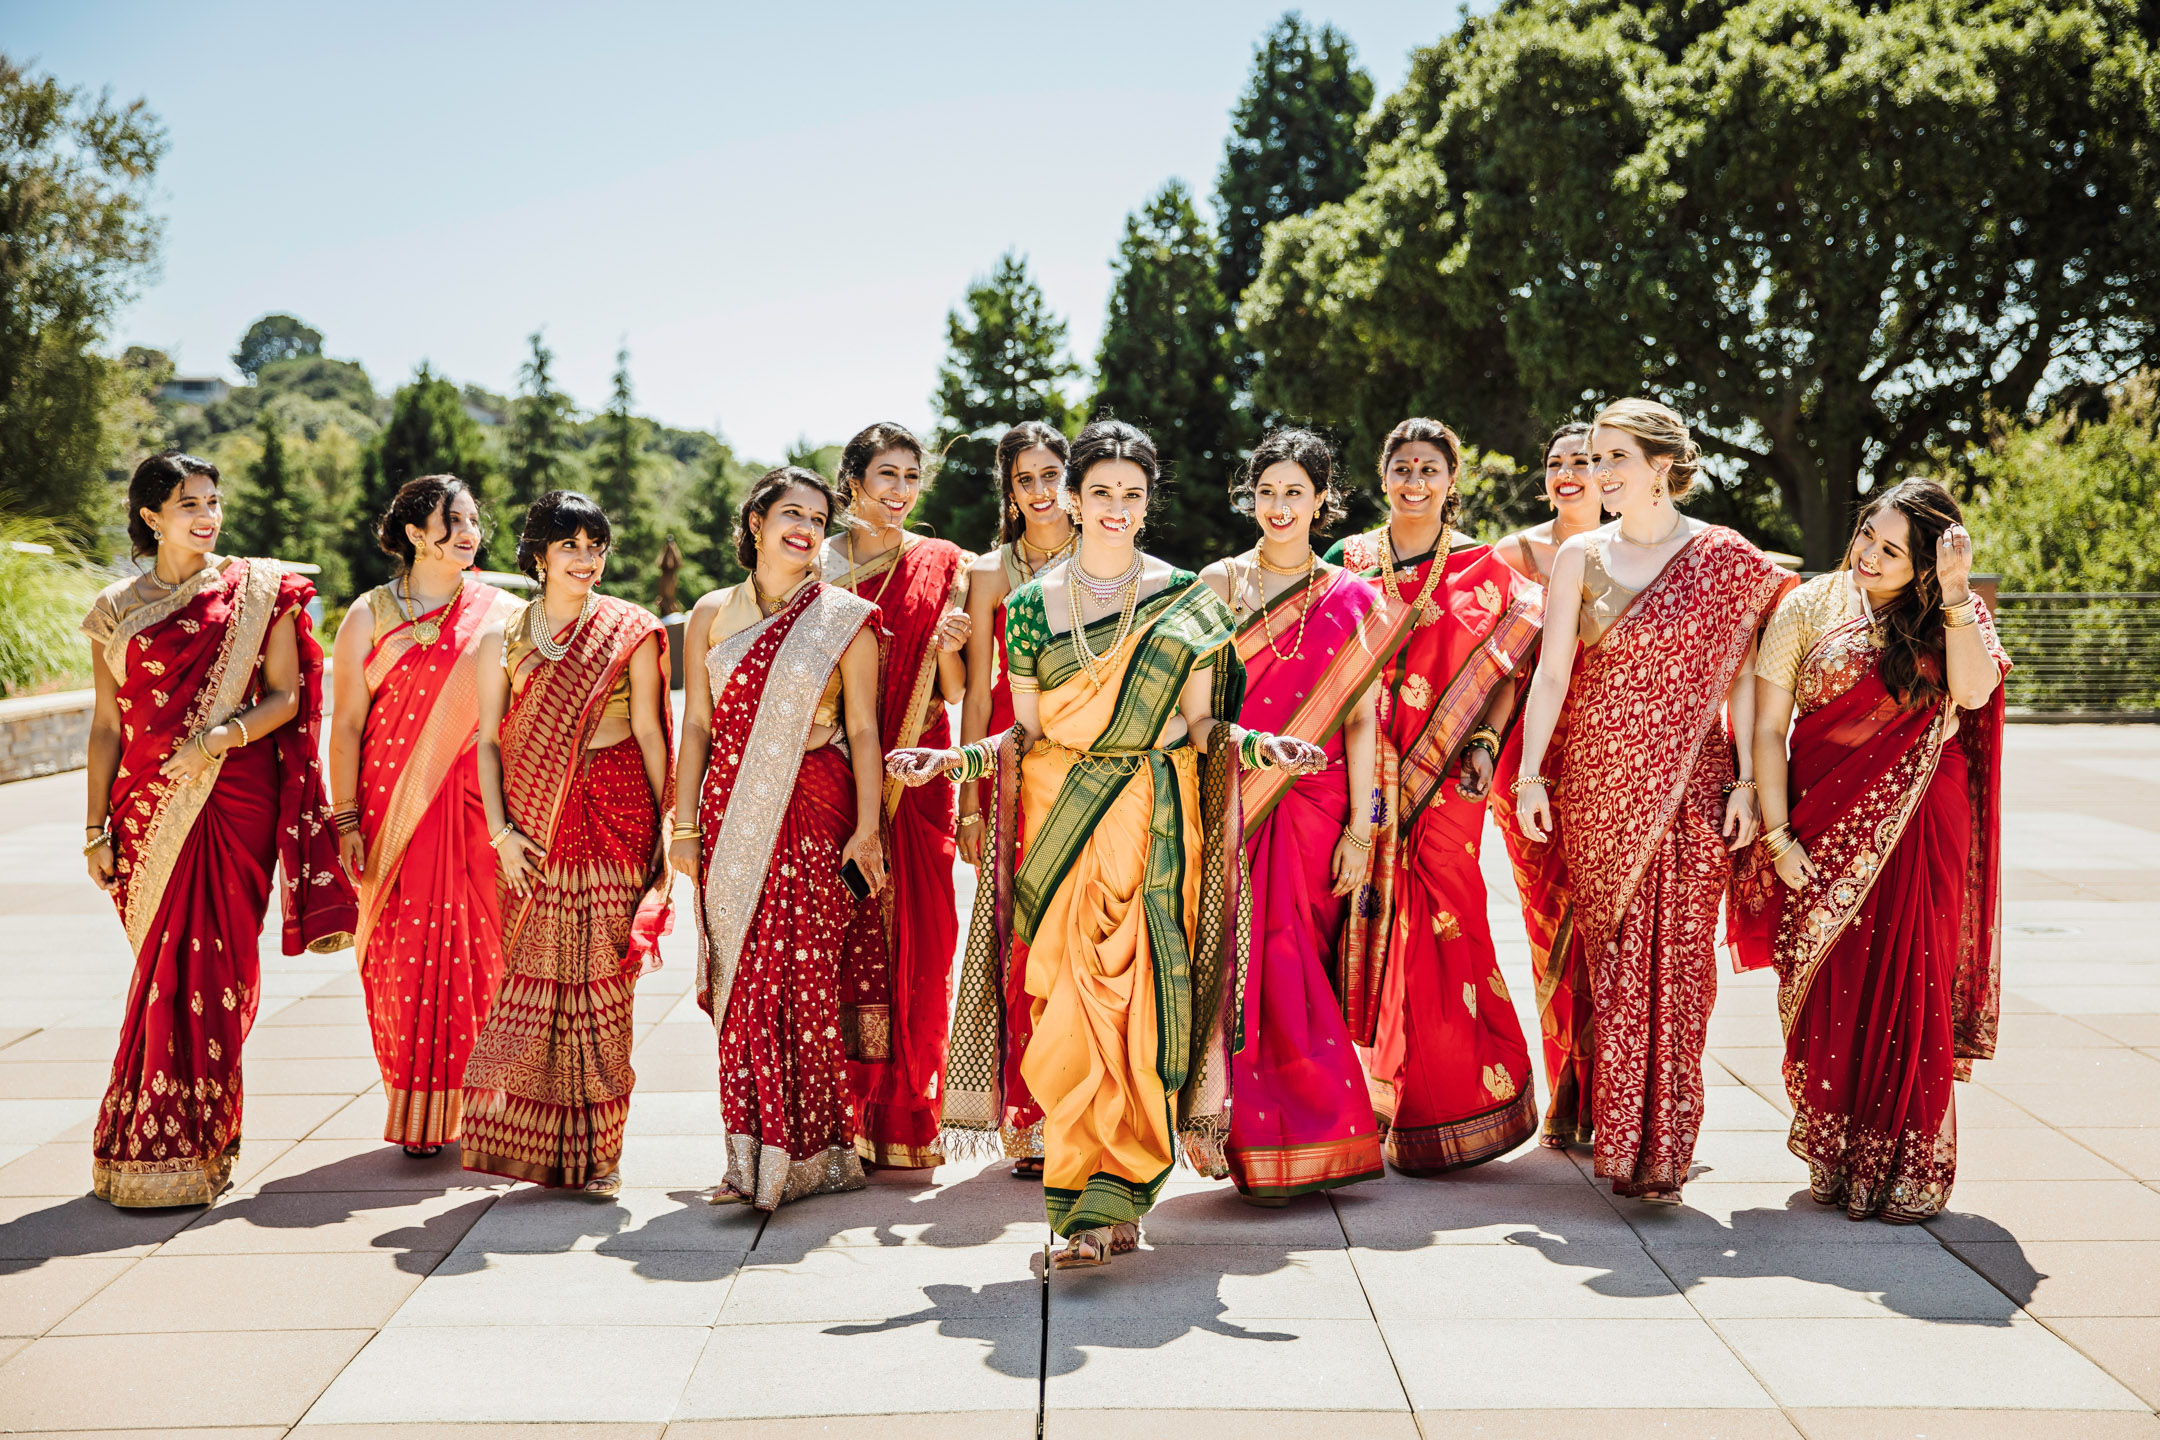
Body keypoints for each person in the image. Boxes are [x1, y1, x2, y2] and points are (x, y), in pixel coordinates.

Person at [891, 419, 1323, 1269]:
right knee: (1071, 1016)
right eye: (1101, 493)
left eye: (1132, 495)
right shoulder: (1025, 608)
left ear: (1147, 500)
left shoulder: (1187, 598)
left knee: (1144, 1016)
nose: (1116, 509)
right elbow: (1023, 738)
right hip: (1061, 829)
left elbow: (1201, 723)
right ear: (1071, 497)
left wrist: (1257, 746)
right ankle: (1083, 1204)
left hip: (1157, 829)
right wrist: (953, 760)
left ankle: (1124, 1197)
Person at [1515, 399, 1794, 1203]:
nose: (1595, 475)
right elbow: (1552, 676)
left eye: (1614, 459)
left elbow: (1740, 677)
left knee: (1681, 966)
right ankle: (1622, 1144)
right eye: (1594, 459)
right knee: (1616, 965)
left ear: (1662, 466)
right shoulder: (1580, 558)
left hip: (1695, 782)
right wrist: (1533, 773)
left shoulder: (1725, 558)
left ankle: (1666, 1147)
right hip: (1600, 784)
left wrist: (1746, 781)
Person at [81, 453, 355, 1206]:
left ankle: (196, 1139)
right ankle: (145, 1143)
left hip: (233, 795)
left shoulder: (261, 591)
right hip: (143, 807)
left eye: (212, 501)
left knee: (214, 974)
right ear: (150, 517)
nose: (207, 516)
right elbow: (107, 724)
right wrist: (94, 825)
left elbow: (285, 699)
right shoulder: (112, 610)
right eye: (188, 504)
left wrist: (215, 741)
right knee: (160, 976)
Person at [1740, 479, 2007, 1222]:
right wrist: (1776, 833)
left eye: (1892, 551)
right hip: (1817, 821)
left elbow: (1975, 693)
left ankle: (1905, 1163)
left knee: (1911, 974)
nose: (1868, 555)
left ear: (1924, 565)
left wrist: (1953, 593)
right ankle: (1837, 1151)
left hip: (1922, 814)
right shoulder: (1808, 606)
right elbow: (1766, 729)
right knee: (1833, 979)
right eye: (1867, 535)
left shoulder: (1952, 612)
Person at [1325, 419, 1546, 1173]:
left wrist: (1485, 742)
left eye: (1429, 469)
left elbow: (1511, 669)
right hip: (1360, 775)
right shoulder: (1346, 561)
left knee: (1449, 920)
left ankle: (1462, 1102)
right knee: (1368, 923)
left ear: (1453, 480)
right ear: (1382, 477)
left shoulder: (1488, 572)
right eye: (1401, 467)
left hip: (1450, 777)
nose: (1414, 482)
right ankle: (1384, 1097)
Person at [670, 468, 887, 1209]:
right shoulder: (709, 614)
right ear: (756, 521)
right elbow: (696, 723)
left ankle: (816, 1154)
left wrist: (866, 829)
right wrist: (685, 823)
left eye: (818, 518)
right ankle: (745, 1160)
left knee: (801, 983)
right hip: (731, 816)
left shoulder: (845, 617)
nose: (805, 527)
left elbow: (862, 728)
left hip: (816, 813)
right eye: (790, 512)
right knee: (743, 988)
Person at [460, 491, 673, 1197]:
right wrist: (502, 831)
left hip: (618, 817)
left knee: (606, 991)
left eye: (596, 546)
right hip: (532, 828)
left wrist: (666, 837)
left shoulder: (631, 629)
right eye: (570, 547)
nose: (586, 560)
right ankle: (544, 1147)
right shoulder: (503, 638)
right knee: (537, 989)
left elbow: (649, 731)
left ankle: (601, 1151)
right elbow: (489, 742)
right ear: (540, 556)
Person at [1198, 429, 1388, 1203]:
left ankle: (1312, 1134)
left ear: (1321, 501)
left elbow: (1365, 723)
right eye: (1267, 492)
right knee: (1236, 962)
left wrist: (1361, 831)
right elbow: (1200, 705)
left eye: (1295, 493)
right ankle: (1239, 1136)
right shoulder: (1216, 585)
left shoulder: (1354, 595)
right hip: (1235, 792)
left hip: (1317, 801)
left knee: (1293, 958)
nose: (1279, 507)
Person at [328, 476, 524, 1157]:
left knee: (485, 948)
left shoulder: (503, 612)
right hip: (395, 810)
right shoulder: (370, 615)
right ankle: (415, 1104)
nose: (470, 532)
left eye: (473, 519)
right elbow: (348, 723)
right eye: (454, 520)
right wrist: (346, 817)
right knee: (400, 954)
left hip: (479, 807)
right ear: (415, 533)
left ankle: (483, 1103)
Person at [820, 422, 971, 1169]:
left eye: (912, 478)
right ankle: (839, 1115)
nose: (901, 493)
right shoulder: (813, 566)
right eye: (887, 476)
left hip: (915, 776)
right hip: (832, 775)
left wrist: (947, 649)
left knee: (921, 936)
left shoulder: (943, 565)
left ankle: (907, 1116)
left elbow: (959, 692)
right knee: (835, 944)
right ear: (853, 481)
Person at [957, 421, 1076, 1176]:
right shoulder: (991, 571)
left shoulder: (1105, 550)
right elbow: (975, 691)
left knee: (1088, 927)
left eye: (1050, 476)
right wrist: (969, 801)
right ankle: (1031, 1115)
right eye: (1024, 480)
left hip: (1090, 756)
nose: (1039, 492)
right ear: (1009, 489)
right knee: (1024, 930)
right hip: (1012, 764)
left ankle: (1088, 1104)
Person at [1489, 422, 1606, 1148]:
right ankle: (1567, 1095)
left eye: (1585, 463)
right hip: (1527, 763)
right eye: (1557, 462)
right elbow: (1492, 665)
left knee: (1609, 932)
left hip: (1610, 760)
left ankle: (1614, 1099)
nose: (1568, 474)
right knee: (1547, 933)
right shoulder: (1514, 556)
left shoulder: (1636, 552)